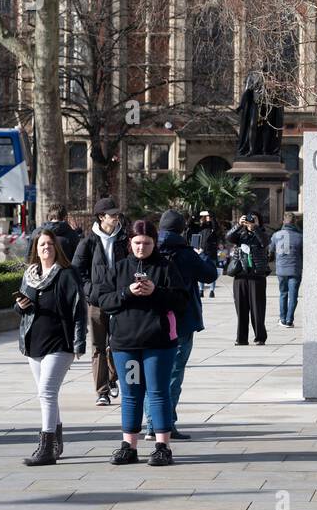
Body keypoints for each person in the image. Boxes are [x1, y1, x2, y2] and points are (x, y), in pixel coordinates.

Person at [97, 220, 188, 467]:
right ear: (129, 243)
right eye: (137, 243)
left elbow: (181, 301)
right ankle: (129, 445)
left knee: (158, 392)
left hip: (158, 344)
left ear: (154, 243)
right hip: (126, 345)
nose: (141, 248)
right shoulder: (118, 269)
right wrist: (127, 292)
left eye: (147, 243)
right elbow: (104, 300)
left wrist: (155, 292)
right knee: (131, 394)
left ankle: (162, 446)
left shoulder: (166, 267)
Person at [16, 229, 86, 465]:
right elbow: (23, 308)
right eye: (41, 244)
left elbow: (79, 310)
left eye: (49, 244)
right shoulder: (30, 274)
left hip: (59, 342)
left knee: (46, 392)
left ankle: (46, 447)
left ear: (56, 247)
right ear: (35, 249)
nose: (45, 248)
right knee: (47, 395)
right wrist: (21, 305)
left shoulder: (66, 274)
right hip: (34, 341)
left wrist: (79, 343)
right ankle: (56, 442)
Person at [150, 210, 219, 440]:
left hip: (151, 319)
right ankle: (165, 422)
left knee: (153, 373)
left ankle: (152, 423)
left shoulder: (150, 249)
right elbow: (209, 275)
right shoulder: (186, 253)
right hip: (180, 320)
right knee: (173, 373)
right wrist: (205, 254)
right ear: (181, 230)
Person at [71, 197, 124, 406]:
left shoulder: (125, 239)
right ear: (102, 217)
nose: (117, 217)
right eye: (113, 214)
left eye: (118, 214)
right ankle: (101, 390)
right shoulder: (88, 242)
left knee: (119, 343)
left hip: (121, 300)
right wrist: (90, 291)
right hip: (97, 301)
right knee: (98, 346)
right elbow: (77, 271)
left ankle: (112, 378)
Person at [226, 212, 271, 346]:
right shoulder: (240, 235)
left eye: (254, 219)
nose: (251, 221)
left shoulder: (262, 233)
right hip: (240, 275)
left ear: (259, 222)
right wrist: (238, 225)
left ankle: (260, 337)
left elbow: (264, 242)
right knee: (241, 308)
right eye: (249, 219)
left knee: (258, 308)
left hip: (257, 276)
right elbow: (229, 237)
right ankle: (241, 338)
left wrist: (255, 228)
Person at [269, 212, 304, 328]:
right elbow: (303, 254)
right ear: (294, 222)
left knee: (283, 294)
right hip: (295, 269)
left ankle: (282, 319)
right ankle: (289, 320)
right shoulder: (300, 237)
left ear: (284, 221)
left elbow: (271, 250)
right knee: (293, 296)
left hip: (281, 270)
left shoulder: (276, 235)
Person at [194, 211, 220, 298]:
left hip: (211, 253)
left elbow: (216, 227)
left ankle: (212, 291)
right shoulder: (200, 228)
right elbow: (191, 224)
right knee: (200, 272)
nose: (207, 218)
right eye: (206, 217)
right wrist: (195, 215)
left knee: (212, 271)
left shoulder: (213, 228)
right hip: (201, 252)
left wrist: (211, 217)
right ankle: (201, 290)